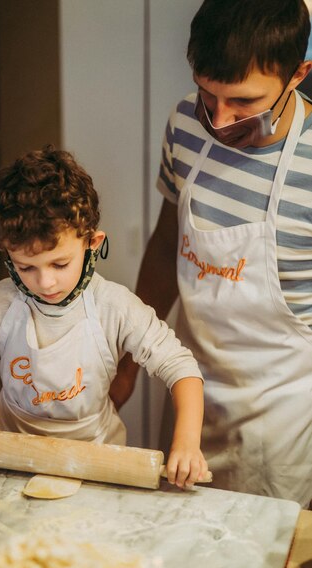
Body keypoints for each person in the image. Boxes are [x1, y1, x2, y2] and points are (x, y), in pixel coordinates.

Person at [110, 0, 312, 508]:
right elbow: (164, 246)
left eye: (243, 103)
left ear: (298, 74)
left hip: (280, 423)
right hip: (189, 391)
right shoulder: (184, 122)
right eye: (207, 94)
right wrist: (131, 360)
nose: (219, 121)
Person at [0, 146, 208, 489]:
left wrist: (187, 443)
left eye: (60, 264)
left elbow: (182, 368)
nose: (45, 282)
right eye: (25, 267)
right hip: (9, 453)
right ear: (6, 252)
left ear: (92, 243)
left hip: (95, 455)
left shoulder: (114, 306)